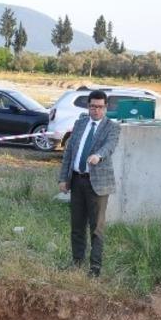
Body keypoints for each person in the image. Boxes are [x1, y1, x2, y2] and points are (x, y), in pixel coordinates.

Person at [58, 90, 120, 277]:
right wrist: (64, 178)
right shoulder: (80, 123)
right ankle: (77, 262)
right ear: (88, 106)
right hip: (77, 180)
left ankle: (95, 268)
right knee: (77, 225)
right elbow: (69, 152)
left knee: (96, 228)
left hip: (98, 185)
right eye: (93, 106)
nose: (96, 110)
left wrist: (98, 155)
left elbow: (110, 146)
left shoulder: (112, 127)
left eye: (100, 107)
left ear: (106, 107)